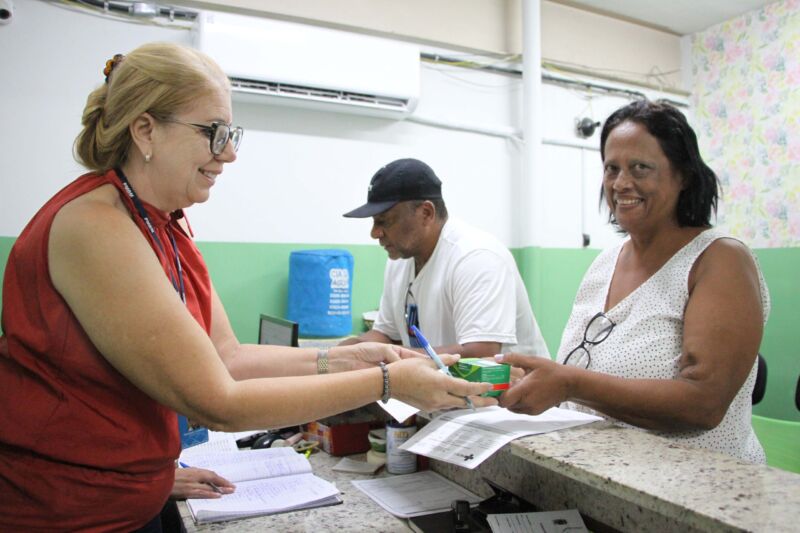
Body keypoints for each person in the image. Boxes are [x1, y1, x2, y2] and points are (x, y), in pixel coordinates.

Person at [0, 43, 495, 531]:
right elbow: (217, 401)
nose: (229, 154)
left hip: (129, 493)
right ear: (145, 130)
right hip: (65, 511)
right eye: (214, 133)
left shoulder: (166, 226)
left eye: (232, 133)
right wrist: (390, 383)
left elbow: (227, 356)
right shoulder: (96, 226)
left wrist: (347, 360)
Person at [497, 99, 769, 463]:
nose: (621, 183)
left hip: (699, 494)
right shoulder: (605, 263)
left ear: (683, 175)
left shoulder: (720, 261)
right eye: (612, 169)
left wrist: (569, 383)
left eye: (640, 168)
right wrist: (536, 384)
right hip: (605, 479)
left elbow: (704, 404)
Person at [339, 158, 549, 360]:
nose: (375, 233)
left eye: (384, 221)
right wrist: (335, 355)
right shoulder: (400, 260)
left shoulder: (476, 257)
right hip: (445, 393)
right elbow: (386, 335)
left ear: (426, 213)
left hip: (510, 395)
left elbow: (482, 353)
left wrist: (392, 359)